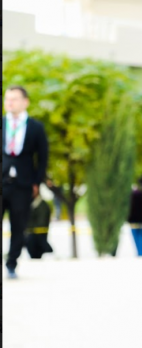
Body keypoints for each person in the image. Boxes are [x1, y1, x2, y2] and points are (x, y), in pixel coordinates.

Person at [2, 85, 48, 279]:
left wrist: (36, 182)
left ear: (25, 102)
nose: (9, 102)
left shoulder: (36, 127)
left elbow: (43, 157)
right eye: (7, 99)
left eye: (14, 99)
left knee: (18, 226)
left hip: (23, 184)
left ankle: (12, 264)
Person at [25, 193, 54, 259]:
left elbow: (42, 222)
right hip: (32, 237)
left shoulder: (42, 205)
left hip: (38, 238)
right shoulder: (29, 203)